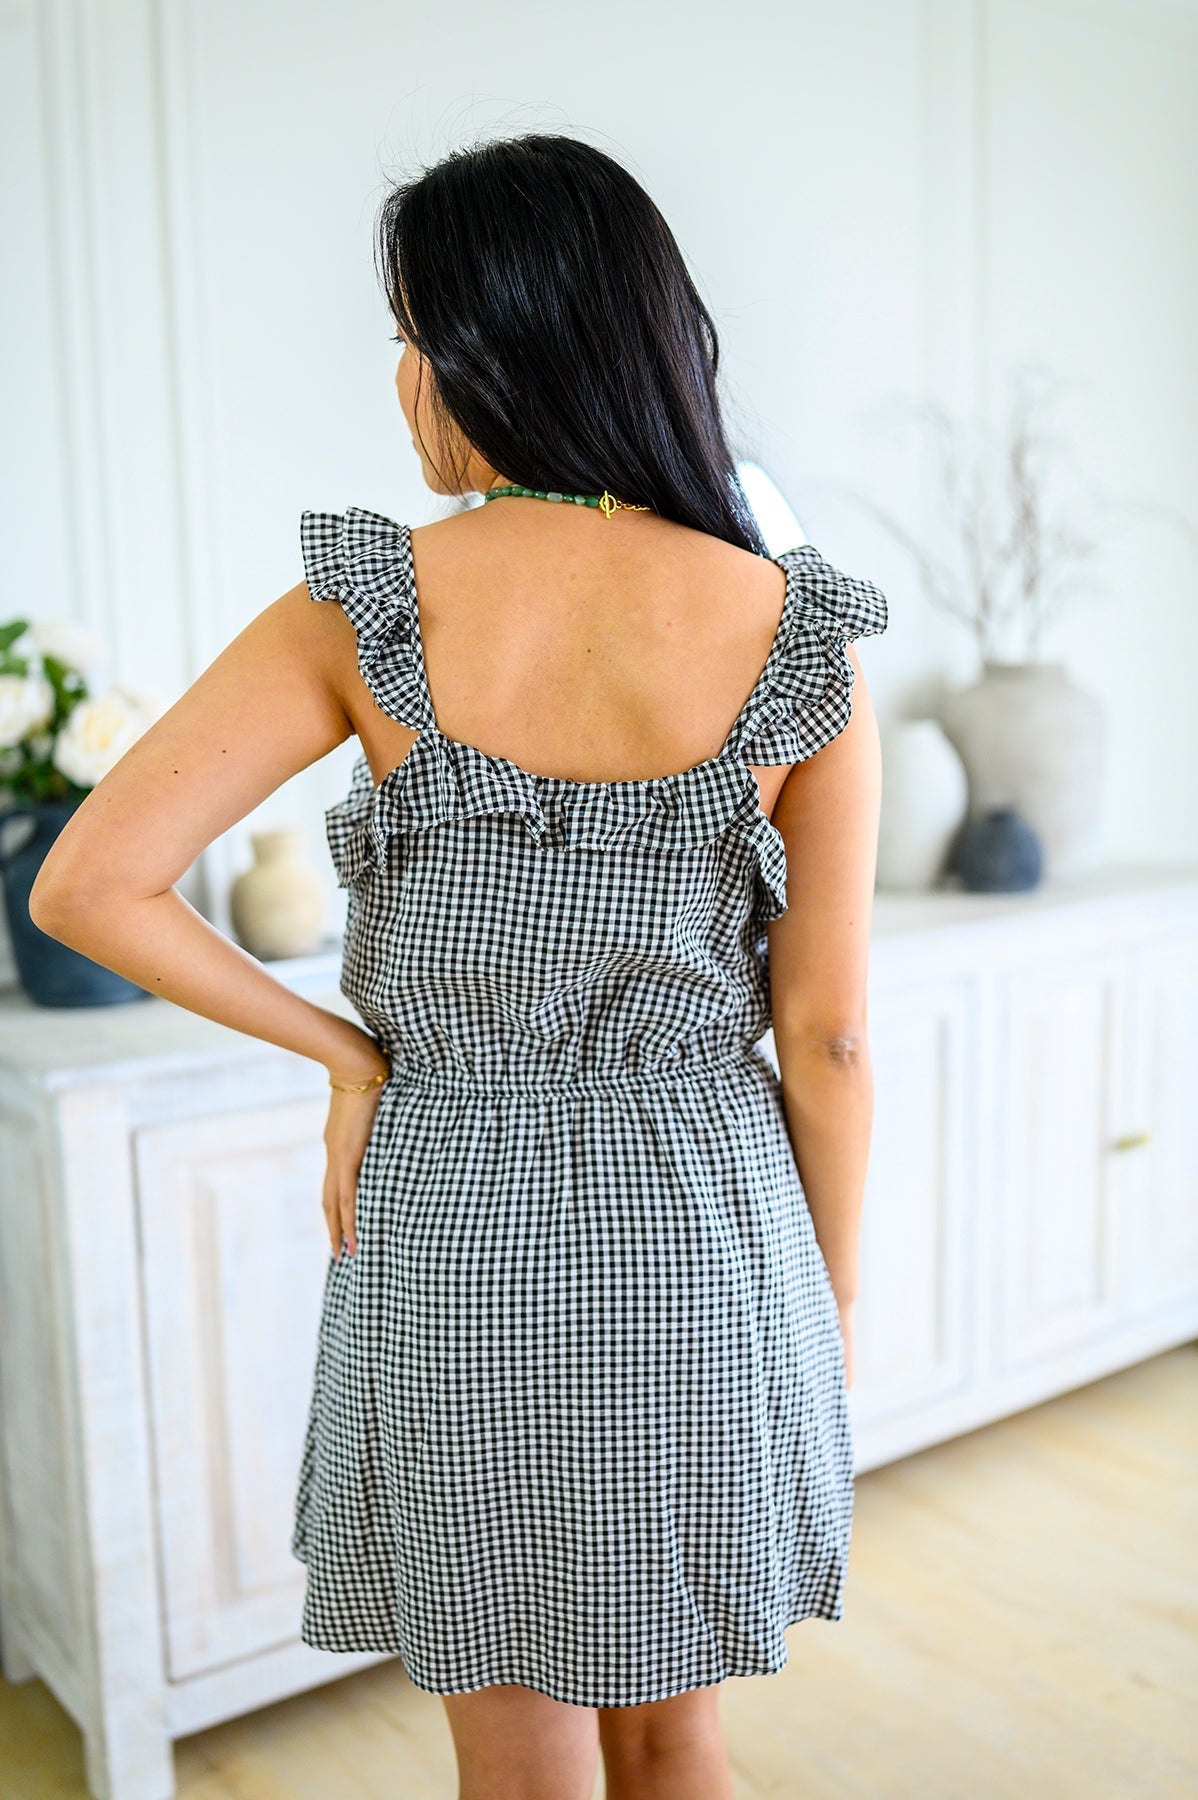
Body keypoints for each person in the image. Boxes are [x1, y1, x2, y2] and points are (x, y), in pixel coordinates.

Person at [30, 131, 888, 1800]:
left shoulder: (366, 609)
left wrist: (350, 1057)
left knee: (513, 1758)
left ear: (482, 355)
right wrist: (825, 1302)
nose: (403, 380)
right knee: (678, 1741)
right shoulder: (797, 639)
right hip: (711, 1237)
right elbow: (831, 1038)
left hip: (452, 1228)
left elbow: (90, 883)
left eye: (410, 336)